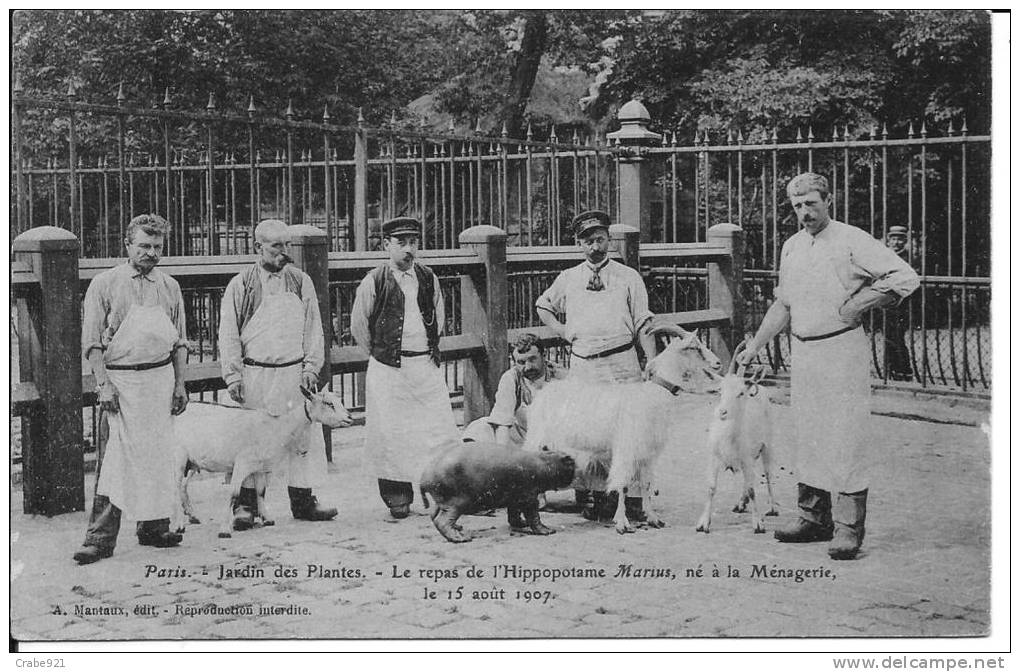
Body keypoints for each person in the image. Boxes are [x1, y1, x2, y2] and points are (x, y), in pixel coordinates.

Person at [736, 173, 919, 560]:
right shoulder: (791, 247)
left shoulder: (851, 239)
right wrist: (754, 346)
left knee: (844, 433)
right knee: (808, 431)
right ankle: (813, 517)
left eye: (811, 204)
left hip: (841, 351)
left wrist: (860, 304)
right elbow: (783, 304)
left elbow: (904, 277)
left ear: (828, 200)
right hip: (804, 354)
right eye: (797, 206)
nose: (805, 213)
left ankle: (849, 528)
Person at [73, 214, 190, 564]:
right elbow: (92, 343)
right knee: (115, 461)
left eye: (157, 247)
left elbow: (180, 342)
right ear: (127, 245)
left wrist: (180, 383)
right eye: (144, 246)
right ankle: (99, 538)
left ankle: (154, 527)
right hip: (121, 384)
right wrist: (103, 385)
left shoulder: (169, 287)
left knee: (157, 456)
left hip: (159, 382)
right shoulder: (106, 284)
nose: (151, 253)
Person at [534, 210, 665, 520]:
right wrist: (562, 331)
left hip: (621, 362)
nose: (595, 246)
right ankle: (594, 494)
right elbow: (543, 306)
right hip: (585, 365)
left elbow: (643, 322)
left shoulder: (627, 277)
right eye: (587, 241)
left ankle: (630, 496)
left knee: (629, 427)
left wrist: (652, 359)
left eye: (599, 239)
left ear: (608, 240)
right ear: (579, 244)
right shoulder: (569, 278)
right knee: (590, 429)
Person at [218, 219, 337, 530]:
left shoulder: (301, 282)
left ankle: (303, 500)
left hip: (294, 375)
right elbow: (228, 334)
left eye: (286, 246)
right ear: (258, 247)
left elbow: (314, 328)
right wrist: (233, 376)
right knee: (252, 441)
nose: (284, 252)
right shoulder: (241, 285)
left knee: (301, 438)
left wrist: (312, 367)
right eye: (276, 247)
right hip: (255, 375)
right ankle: (247, 505)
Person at [350, 217, 461, 519]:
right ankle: (397, 496)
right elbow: (359, 327)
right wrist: (382, 355)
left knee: (435, 429)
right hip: (389, 369)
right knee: (390, 433)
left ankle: (442, 491)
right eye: (402, 243)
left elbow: (438, 318)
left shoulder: (428, 278)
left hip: (424, 364)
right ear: (386, 245)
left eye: (413, 242)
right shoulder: (374, 281)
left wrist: (425, 352)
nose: (409, 249)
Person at [461, 332, 565, 448]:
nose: (528, 366)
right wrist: (505, 456)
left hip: (554, 436)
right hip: (523, 435)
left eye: (532, 359)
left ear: (544, 355)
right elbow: (502, 421)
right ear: (514, 362)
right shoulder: (511, 378)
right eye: (521, 362)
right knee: (479, 427)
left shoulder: (561, 377)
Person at [882, 226, 916, 381]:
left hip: (902, 303)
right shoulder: (884, 256)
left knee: (897, 337)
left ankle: (904, 371)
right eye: (893, 239)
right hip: (884, 302)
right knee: (888, 337)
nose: (896, 242)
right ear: (888, 241)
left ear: (905, 241)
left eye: (899, 239)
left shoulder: (909, 259)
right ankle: (890, 370)